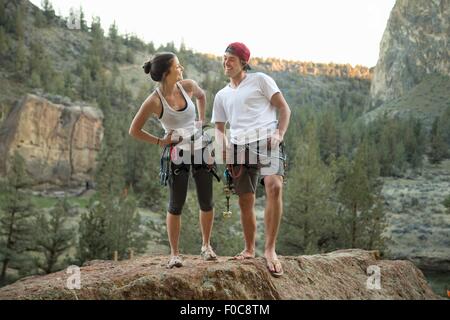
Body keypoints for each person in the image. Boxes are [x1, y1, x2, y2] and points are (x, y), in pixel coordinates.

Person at [129, 52, 217, 269]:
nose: (182, 69)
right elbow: (134, 130)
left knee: (206, 201)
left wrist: (200, 120)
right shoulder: (154, 101)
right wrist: (161, 141)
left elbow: (202, 95)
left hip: (201, 149)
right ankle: (175, 254)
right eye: (178, 66)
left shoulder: (187, 86)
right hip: (177, 154)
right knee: (176, 205)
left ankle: (206, 246)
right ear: (167, 72)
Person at [212, 42, 291, 277]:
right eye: (224, 58)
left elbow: (285, 109)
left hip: (267, 141)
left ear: (243, 62)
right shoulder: (221, 95)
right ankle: (249, 250)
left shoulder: (261, 80)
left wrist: (279, 133)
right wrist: (223, 146)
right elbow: (218, 127)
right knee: (245, 201)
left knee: (274, 186)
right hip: (237, 147)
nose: (226, 63)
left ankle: (269, 250)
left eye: (231, 59)